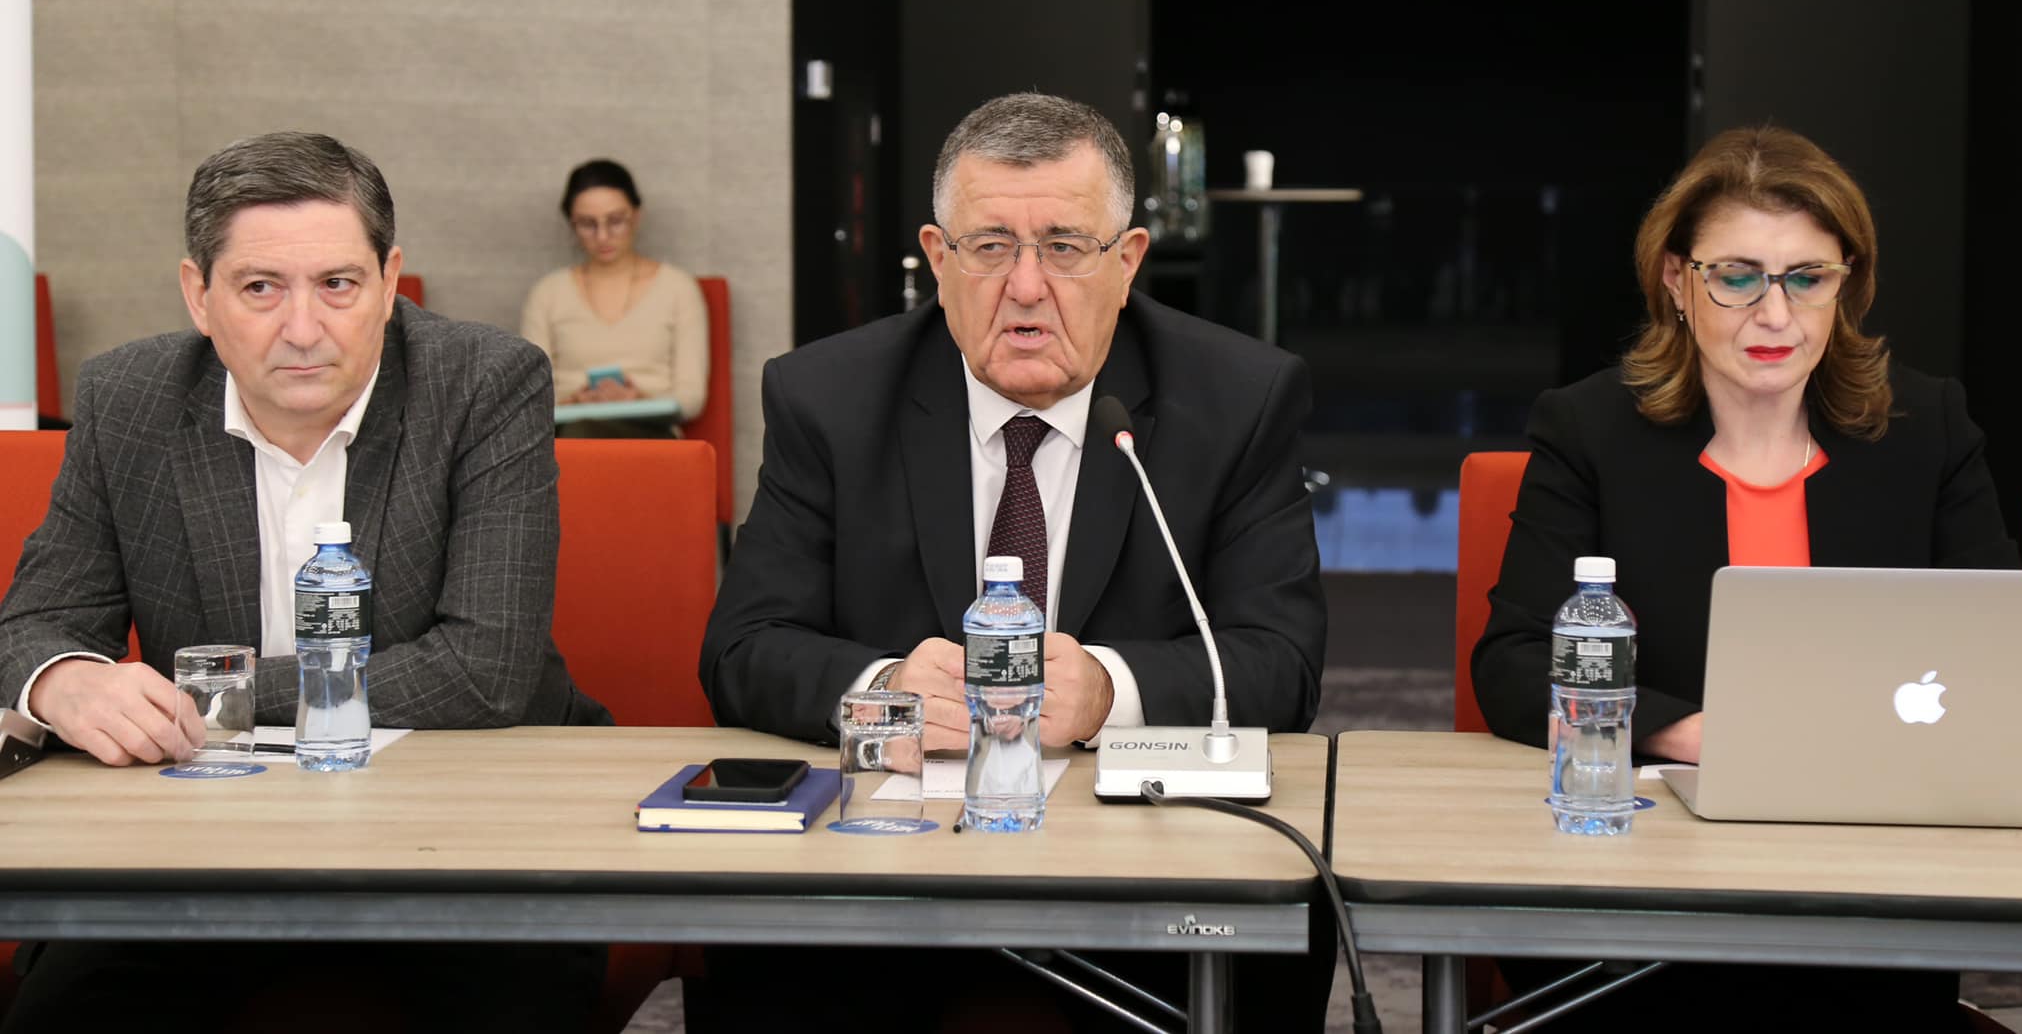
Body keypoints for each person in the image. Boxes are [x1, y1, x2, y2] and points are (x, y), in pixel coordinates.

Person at [695, 91, 1328, 1031]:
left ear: (1127, 262)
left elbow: (1282, 661)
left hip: (1146, 880)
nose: (1026, 287)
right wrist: (886, 692)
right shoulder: (828, 397)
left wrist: (1109, 692)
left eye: (1065, 247)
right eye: (990, 247)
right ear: (938, 259)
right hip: (882, 880)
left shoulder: (1238, 397)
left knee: (1274, 932)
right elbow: (743, 647)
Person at [0, 132, 607, 1031]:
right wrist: (63, 680)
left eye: (337, 284)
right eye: (259, 288)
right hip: (201, 835)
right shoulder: (128, 398)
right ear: (198, 295)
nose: (302, 328)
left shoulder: (484, 382)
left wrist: (206, 698)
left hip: (463, 821)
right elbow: (36, 623)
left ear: (389, 283)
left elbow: (483, 672)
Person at [1471, 124, 2016, 1031]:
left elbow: (2007, 655)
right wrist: (1698, 737)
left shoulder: (1927, 430)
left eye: (1807, 278)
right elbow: (1516, 662)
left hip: (1870, 889)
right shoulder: (1590, 430)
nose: (1776, 315)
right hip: (1637, 899)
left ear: (1846, 285)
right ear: (1677, 282)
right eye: (1737, 277)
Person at [520, 159, 709, 436]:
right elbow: (529, 398)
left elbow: (691, 398)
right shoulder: (547, 294)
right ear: (571, 224)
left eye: (616, 221)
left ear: (637, 216)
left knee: (582, 436)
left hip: (652, 433)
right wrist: (575, 402)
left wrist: (638, 400)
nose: (603, 236)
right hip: (568, 431)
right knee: (579, 432)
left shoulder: (678, 288)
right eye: (587, 224)